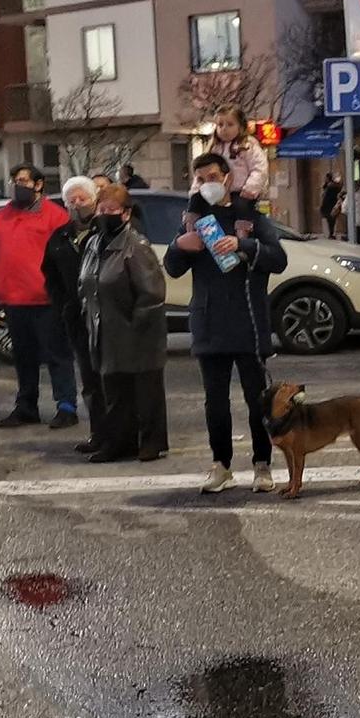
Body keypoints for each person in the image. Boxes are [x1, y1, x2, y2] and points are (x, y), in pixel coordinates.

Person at [163, 153, 288, 494]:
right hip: (209, 322)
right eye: (201, 179)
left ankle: (262, 465)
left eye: (213, 177)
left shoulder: (250, 216)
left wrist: (243, 244)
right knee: (214, 401)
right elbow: (172, 267)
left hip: (248, 321)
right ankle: (221, 465)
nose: (208, 185)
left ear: (228, 178)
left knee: (256, 399)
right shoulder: (193, 218)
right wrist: (179, 246)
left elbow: (278, 259)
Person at [0, 164, 79, 429]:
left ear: (38, 185)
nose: (18, 184)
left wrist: (60, 290)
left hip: (48, 300)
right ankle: (26, 406)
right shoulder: (1, 218)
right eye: (15, 180)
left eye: (24, 180)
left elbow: (66, 257)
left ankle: (66, 406)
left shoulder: (55, 216)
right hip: (14, 300)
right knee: (23, 358)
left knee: (58, 355)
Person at [80, 183, 170, 463]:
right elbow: (87, 284)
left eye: (111, 210)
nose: (104, 214)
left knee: (145, 391)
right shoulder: (94, 243)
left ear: (126, 214)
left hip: (136, 330)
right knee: (116, 393)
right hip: (105, 329)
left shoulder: (135, 246)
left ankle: (151, 442)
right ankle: (119, 441)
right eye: (101, 209)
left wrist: (136, 326)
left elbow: (152, 292)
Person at [46, 176, 107, 454]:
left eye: (82, 198)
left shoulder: (107, 231)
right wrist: (63, 306)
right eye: (72, 200)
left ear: (95, 200)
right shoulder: (60, 236)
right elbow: (50, 276)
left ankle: (122, 433)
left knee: (113, 378)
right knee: (90, 379)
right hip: (77, 317)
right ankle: (98, 433)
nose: (77, 204)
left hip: (108, 317)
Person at [208, 104, 270, 201]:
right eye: (220, 125)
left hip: (241, 192)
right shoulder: (214, 148)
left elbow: (259, 168)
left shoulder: (247, 146)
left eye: (230, 124)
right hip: (218, 193)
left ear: (240, 127)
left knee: (240, 207)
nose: (224, 129)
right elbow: (202, 172)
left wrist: (250, 188)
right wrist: (198, 190)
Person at [320, 171, 344, 238]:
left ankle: (330, 234)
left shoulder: (329, 187)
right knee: (332, 220)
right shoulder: (335, 186)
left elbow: (324, 196)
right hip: (333, 204)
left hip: (328, 204)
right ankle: (331, 233)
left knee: (329, 219)